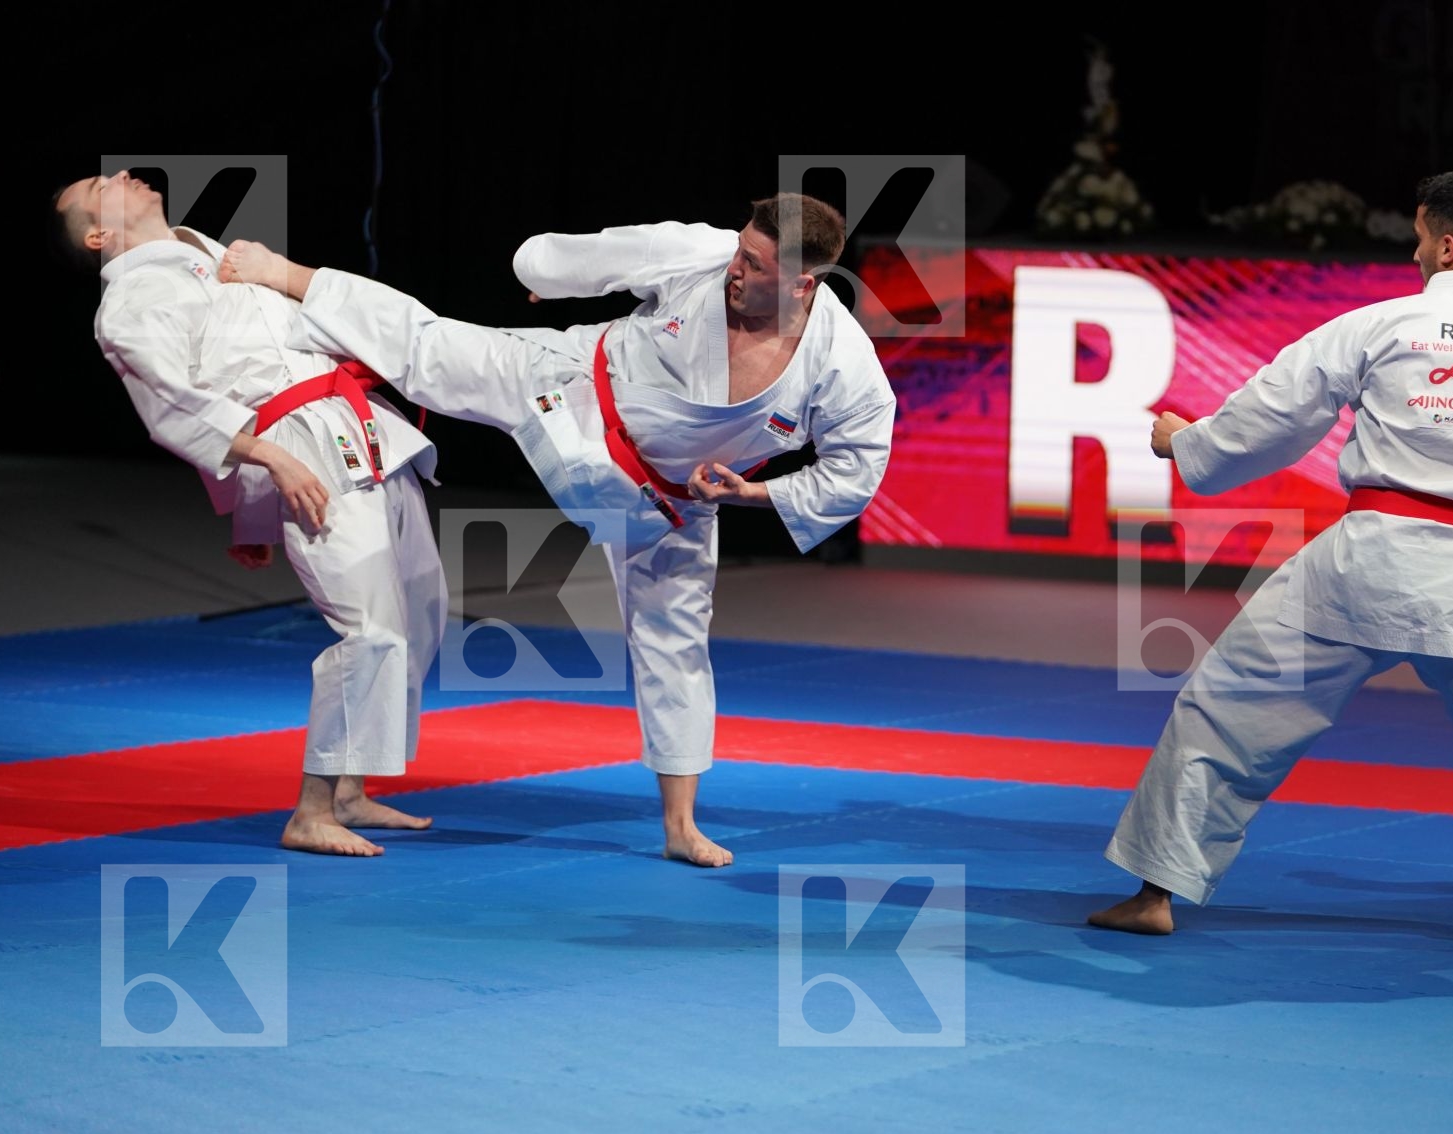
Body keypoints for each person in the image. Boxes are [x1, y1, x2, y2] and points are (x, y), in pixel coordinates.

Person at [219, 193, 896, 868]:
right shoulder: (698, 251)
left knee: (676, 649)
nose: (735, 270)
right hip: (570, 390)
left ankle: (682, 826)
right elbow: (575, 255)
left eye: (754, 264)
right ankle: (288, 275)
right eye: (740, 251)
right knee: (431, 347)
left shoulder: (844, 367)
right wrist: (544, 277)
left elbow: (854, 475)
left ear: (804, 283)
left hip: (663, 504)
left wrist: (753, 491)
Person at [1087, 168, 1453, 961]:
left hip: (1361, 568)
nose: (1414, 248)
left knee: (1224, 716)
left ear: (1448, 240)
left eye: (1421, 233)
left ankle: (1156, 895)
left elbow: (1276, 408)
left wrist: (1187, 444)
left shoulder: (1380, 324)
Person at [53, 169, 445, 857]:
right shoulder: (131, 302)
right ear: (97, 233)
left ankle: (351, 790)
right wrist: (270, 468)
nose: (120, 173)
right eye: (100, 182)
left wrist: (249, 514)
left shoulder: (209, 254)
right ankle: (311, 810)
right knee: (370, 628)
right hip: (297, 448)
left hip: (358, 427)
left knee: (418, 606)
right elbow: (176, 406)